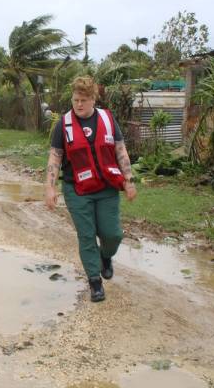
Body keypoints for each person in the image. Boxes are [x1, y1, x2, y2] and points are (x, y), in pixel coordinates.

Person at [45, 76, 137, 302]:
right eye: (75, 100)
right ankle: (95, 282)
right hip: (76, 190)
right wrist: (50, 187)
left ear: (93, 99)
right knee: (86, 236)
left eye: (83, 100)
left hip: (106, 187)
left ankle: (106, 256)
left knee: (112, 234)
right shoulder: (63, 124)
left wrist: (129, 179)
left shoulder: (107, 119)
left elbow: (120, 150)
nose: (78, 104)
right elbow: (55, 156)